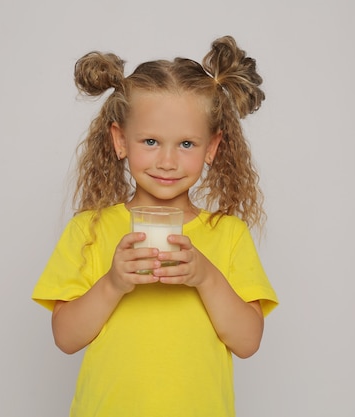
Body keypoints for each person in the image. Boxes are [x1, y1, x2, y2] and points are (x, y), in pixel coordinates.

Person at [32, 35, 279, 417]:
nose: (167, 161)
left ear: (212, 148)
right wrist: (113, 282)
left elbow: (247, 343)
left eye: (186, 144)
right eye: (150, 141)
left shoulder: (228, 235)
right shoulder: (90, 230)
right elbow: (65, 338)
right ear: (120, 141)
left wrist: (206, 277)